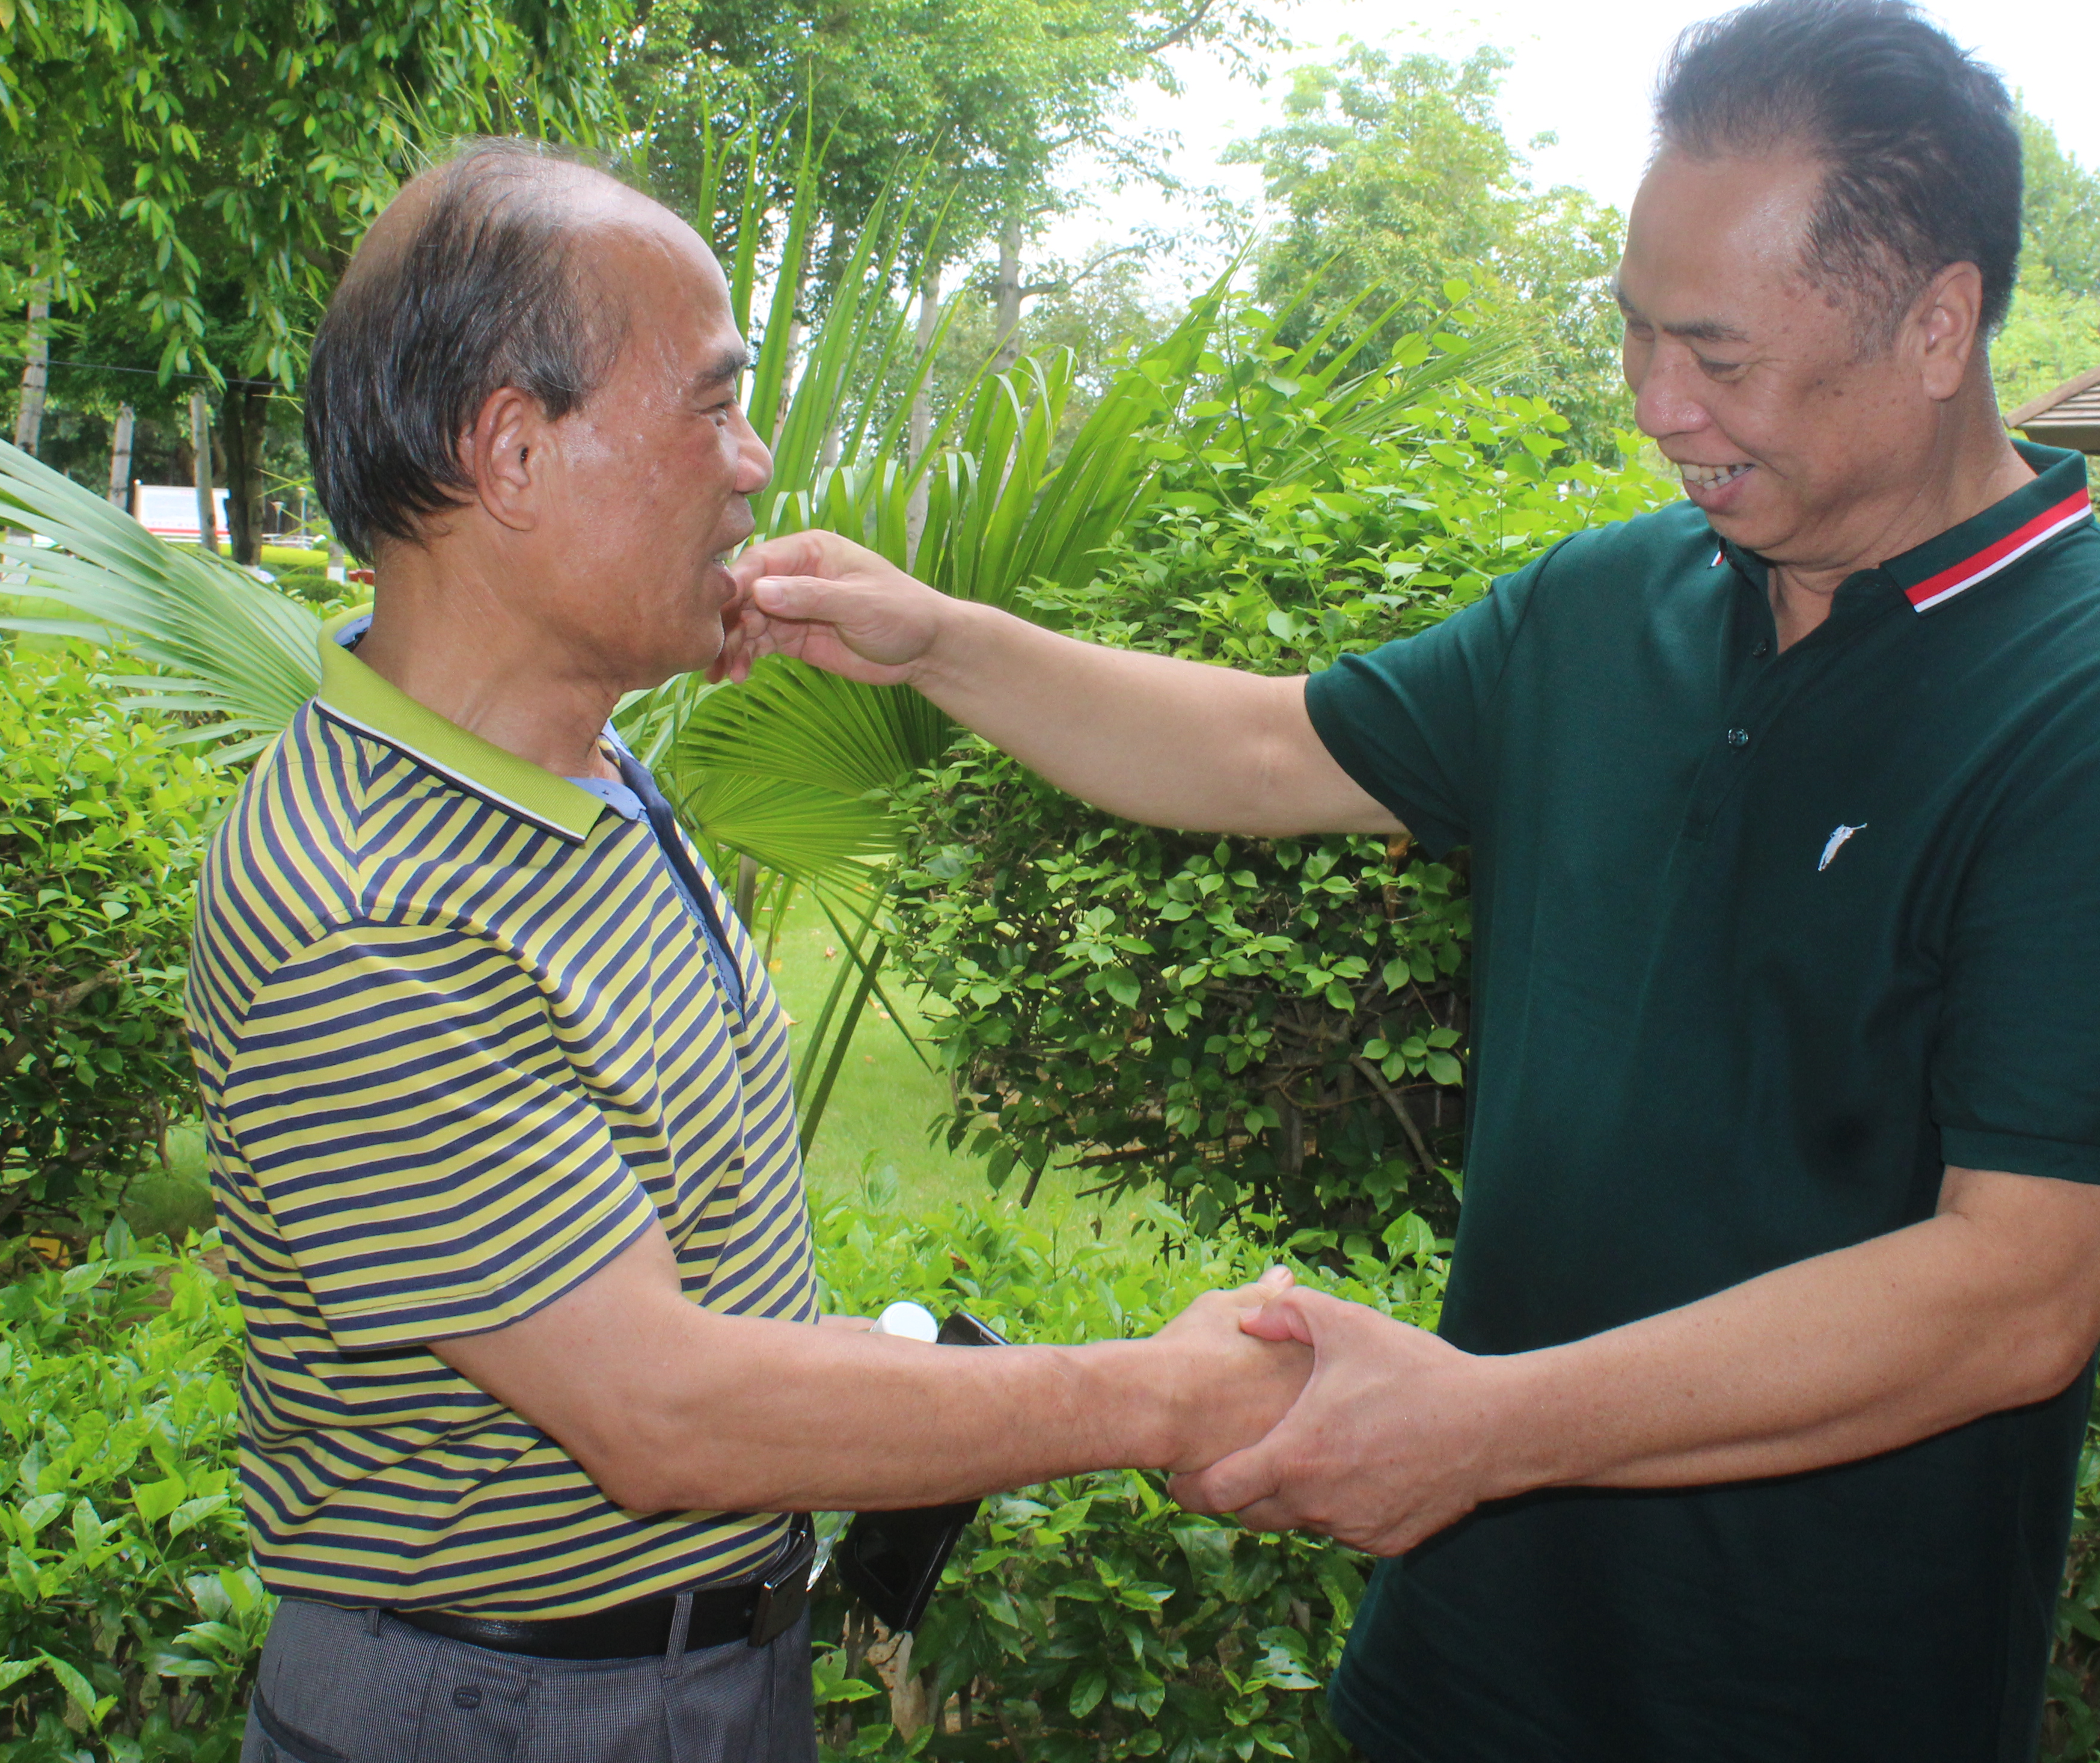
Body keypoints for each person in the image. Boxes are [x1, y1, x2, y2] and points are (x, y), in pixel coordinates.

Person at [719, 0, 2100, 1761]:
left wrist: (1484, 1425)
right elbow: (1263, 748)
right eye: (1633, 337)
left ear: (1939, 329)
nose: (1653, 406)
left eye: (1719, 357)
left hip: (1813, 1691)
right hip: (1464, 1660)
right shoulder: (1615, 604)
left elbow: (2015, 1294)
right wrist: (937, 645)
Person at [189, 141, 1307, 1763]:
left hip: (681, 1669)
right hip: (509, 1711)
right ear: (511, 453)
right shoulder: (357, 903)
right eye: (708, 403)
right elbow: (661, 1411)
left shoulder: (580, 768)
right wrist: (1164, 1395)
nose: (753, 460)